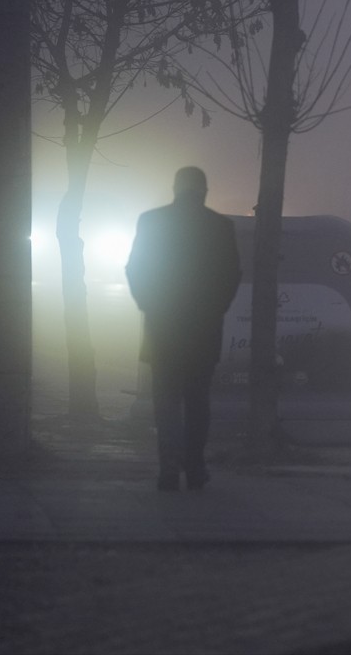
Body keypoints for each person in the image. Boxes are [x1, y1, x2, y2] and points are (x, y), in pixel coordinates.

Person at [126, 167, 240, 491]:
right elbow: (231, 275)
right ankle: (195, 465)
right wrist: (215, 309)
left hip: (163, 327)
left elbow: (137, 268)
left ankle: (168, 467)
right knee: (197, 401)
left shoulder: (152, 222)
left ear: (175, 188)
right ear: (204, 190)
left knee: (166, 401)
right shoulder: (220, 226)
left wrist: (149, 305)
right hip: (203, 329)